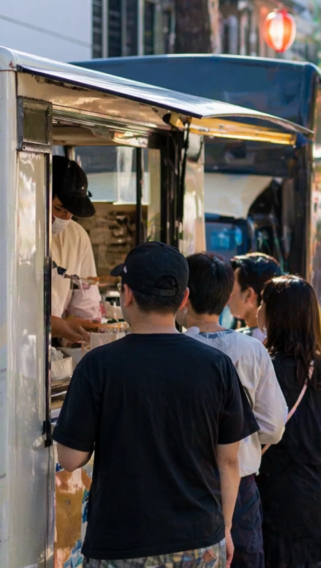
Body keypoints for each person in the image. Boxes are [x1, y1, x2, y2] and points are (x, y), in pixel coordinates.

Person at [54, 242, 257, 566]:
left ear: (127, 295)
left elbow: (70, 458)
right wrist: (227, 527)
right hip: (199, 543)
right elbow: (229, 462)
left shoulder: (97, 365)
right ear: (184, 298)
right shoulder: (217, 365)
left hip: (120, 545)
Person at [178, 253, 289, 568]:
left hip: (183, 484)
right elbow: (274, 426)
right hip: (240, 487)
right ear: (227, 298)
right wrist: (244, 436)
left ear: (184, 296)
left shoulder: (174, 349)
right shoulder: (252, 349)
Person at [256, 275, 321, 567]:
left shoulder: (269, 367)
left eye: (263, 303)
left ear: (277, 314)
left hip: (280, 498)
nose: (259, 309)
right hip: (318, 494)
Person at [51, 156, 101, 345]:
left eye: (71, 212)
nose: (66, 218)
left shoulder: (77, 236)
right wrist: (56, 325)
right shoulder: (11, 236)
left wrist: (86, 329)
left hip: (54, 346)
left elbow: (85, 296)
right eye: (60, 209)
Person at [228, 252, 283, 341]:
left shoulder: (238, 342)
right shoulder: (280, 339)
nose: (228, 296)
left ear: (249, 295)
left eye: (232, 290)